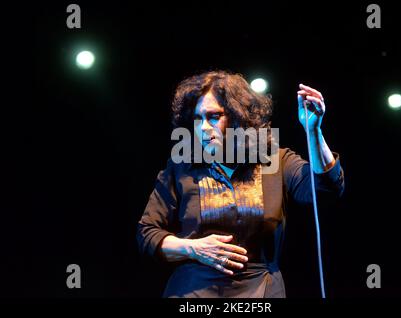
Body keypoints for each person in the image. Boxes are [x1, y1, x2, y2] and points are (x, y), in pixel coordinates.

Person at [136, 70, 345, 298]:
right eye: (198, 119)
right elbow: (147, 234)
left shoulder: (275, 160)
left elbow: (326, 188)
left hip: (261, 290)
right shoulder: (182, 167)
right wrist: (193, 248)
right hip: (193, 292)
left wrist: (313, 131)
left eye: (214, 116)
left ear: (238, 118)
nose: (204, 127)